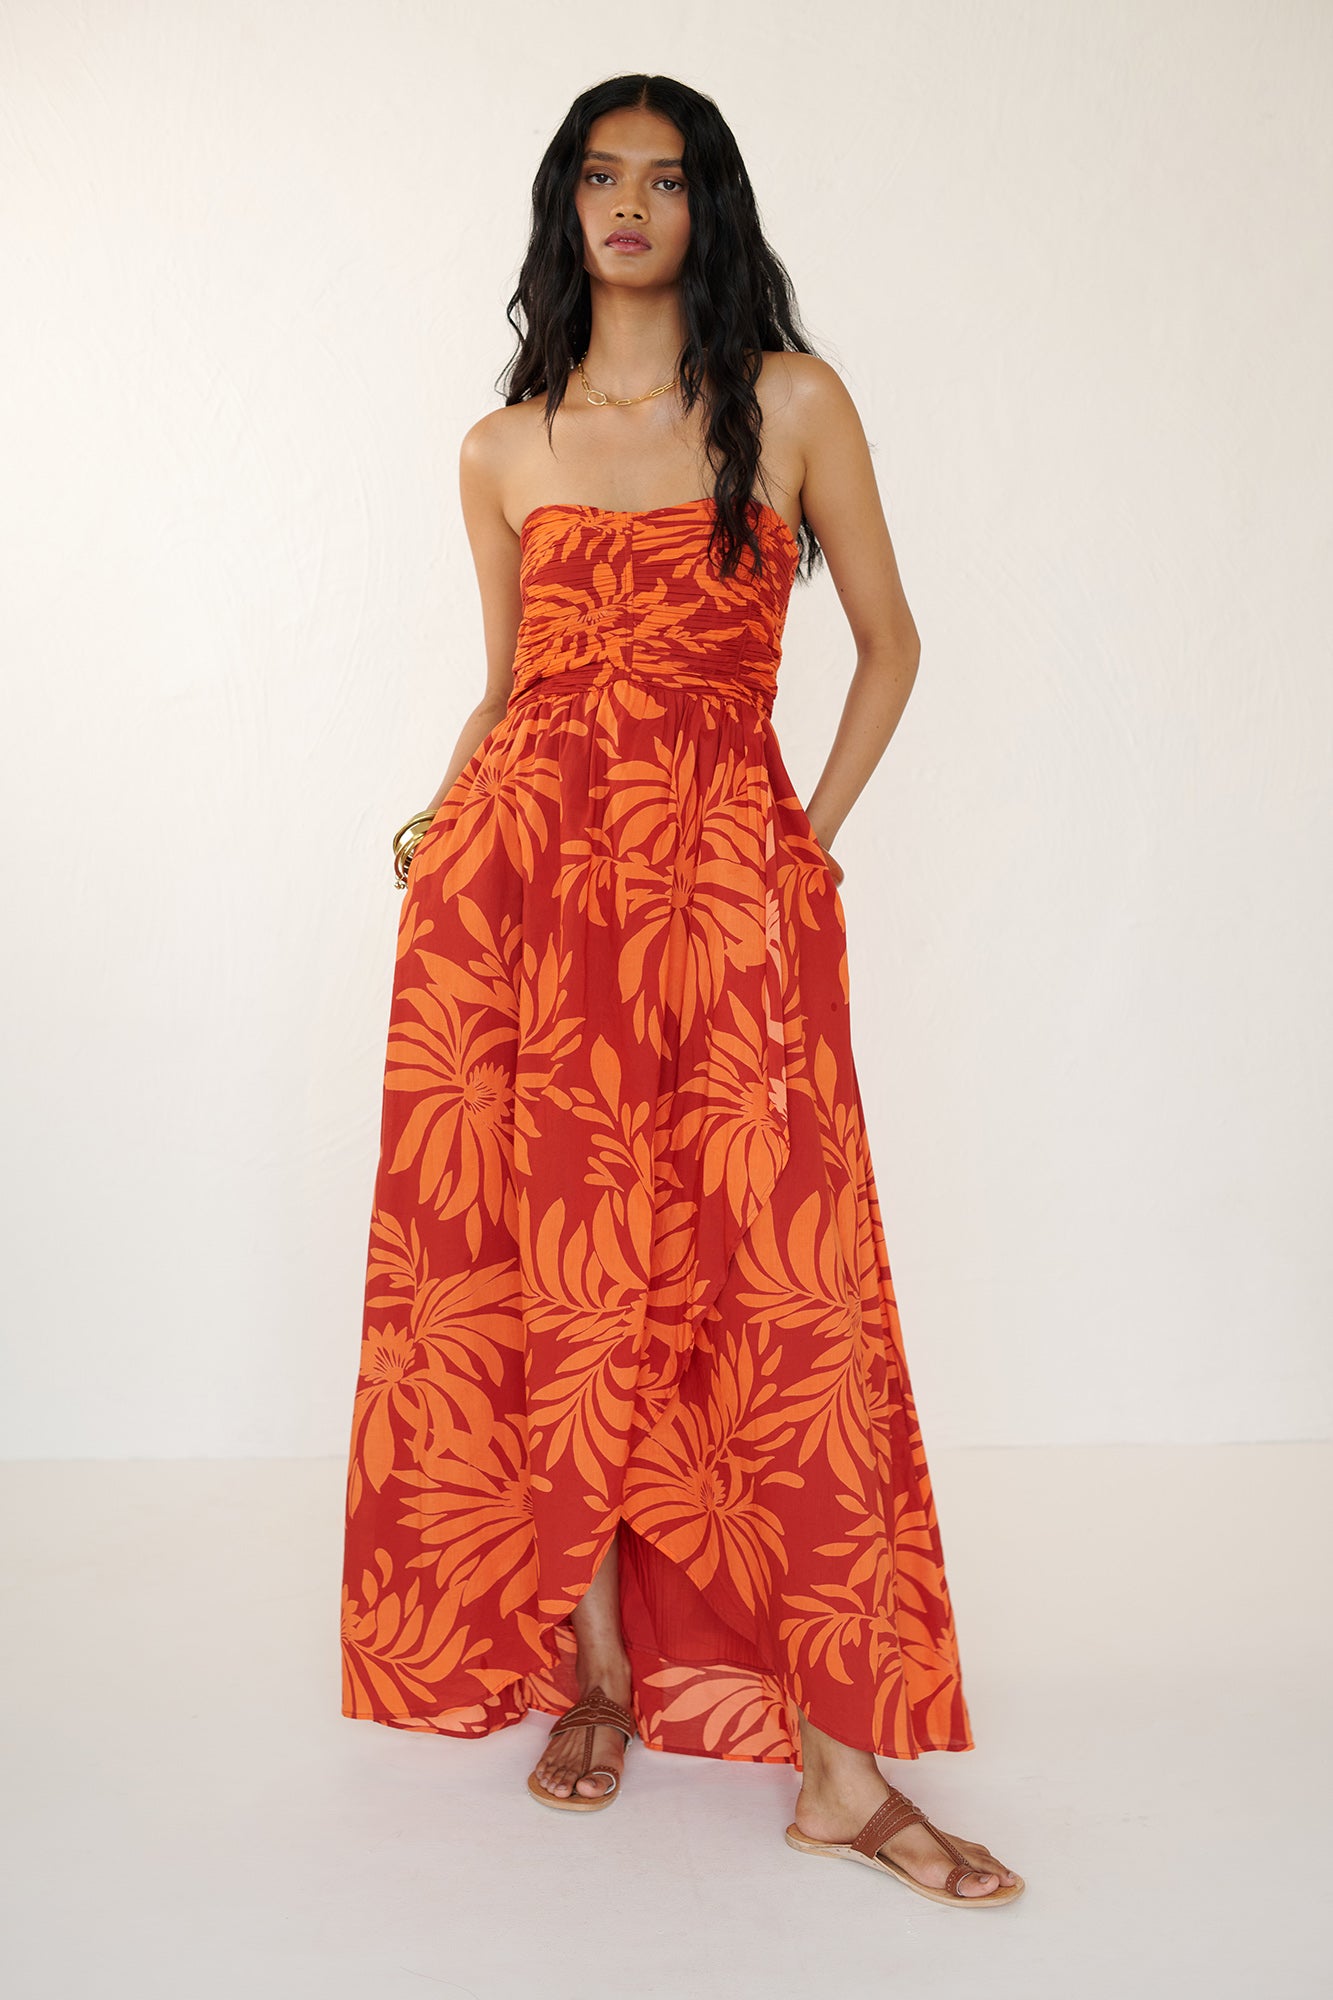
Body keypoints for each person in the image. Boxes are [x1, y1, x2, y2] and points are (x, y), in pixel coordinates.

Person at [340, 73, 1024, 1909]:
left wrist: (805, 837)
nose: (627, 204)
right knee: (543, 1268)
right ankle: (594, 1677)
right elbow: (513, 689)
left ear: (707, 208)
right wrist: (435, 827)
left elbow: (889, 645)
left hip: (727, 894)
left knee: (768, 1290)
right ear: (565, 208)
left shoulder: (789, 406)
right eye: (598, 176)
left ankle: (838, 1767)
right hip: (520, 904)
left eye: (663, 178)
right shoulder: (502, 444)